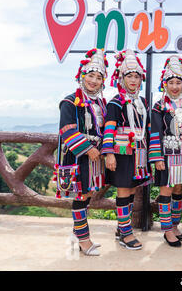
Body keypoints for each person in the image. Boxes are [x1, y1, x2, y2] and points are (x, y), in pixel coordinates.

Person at [55, 48, 108, 256]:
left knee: (88, 195)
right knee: (82, 195)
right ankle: (83, 240)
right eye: (90, 76)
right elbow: (67, 130)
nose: (94, 81)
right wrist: (88, 149)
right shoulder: (70, 101)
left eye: (98, 77)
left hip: (94, 156)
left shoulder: (99, 103)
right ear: (82, 76)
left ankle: (78, 235)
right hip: (78, 156)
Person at [102, 50, 150, 251]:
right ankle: (125, 232)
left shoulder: (141, 102)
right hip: (121, 152)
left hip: (138, 153)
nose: (133, 80)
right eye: (129, 76)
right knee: (123, 190)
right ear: (121, 79)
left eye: (136, 76)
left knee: (131, 190)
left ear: (141, 79)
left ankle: (122, 227)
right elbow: (109, 127)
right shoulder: (116, 102)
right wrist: (109, 152)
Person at [149, 55, 182, 247]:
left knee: (179, 190)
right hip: (166, 156)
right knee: (166, 191)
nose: (175, 86)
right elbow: (154, 132)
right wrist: (157, 157)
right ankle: (167, 229)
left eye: (179, 82)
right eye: (171, 82)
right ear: (165, 84)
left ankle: (175, 224)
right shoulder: (159, 106)